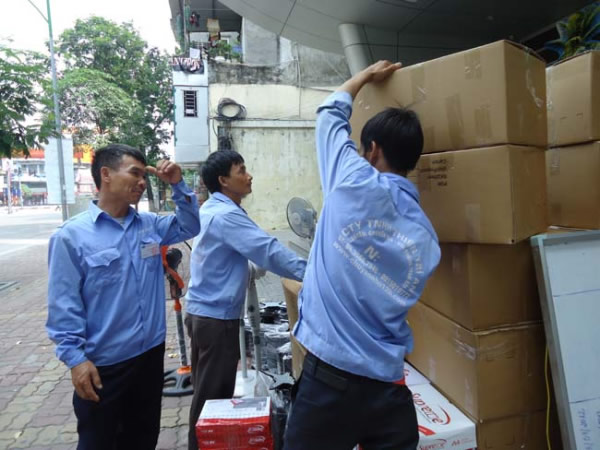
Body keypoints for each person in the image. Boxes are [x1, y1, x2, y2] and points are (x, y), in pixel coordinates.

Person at [283, 61, 442, 450]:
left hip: (329, 384)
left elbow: (329, 113)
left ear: (371, 150)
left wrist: (364, 77)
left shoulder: (351, 178)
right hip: (388, 390)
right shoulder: (427, 239)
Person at [46, 144, 200, 450]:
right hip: (104, 366)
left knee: (143, 438)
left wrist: (177, 184)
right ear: (106, 174)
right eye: (135, 173)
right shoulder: (71, 237)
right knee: (100, 442)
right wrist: (76, 360)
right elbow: (64, 305)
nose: (142, 182)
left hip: (149, 357)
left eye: (144, 176)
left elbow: (190, 224)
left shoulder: (150, 225)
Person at [185, 149, 307, 450]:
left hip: (202, 314)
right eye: (241, 170)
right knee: (212, 401)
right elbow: (269, 251)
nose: (249, 176)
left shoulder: (213, 208)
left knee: (206, 393)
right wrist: (316, 271)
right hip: (216, 320)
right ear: (223, 180)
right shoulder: (226, 215)